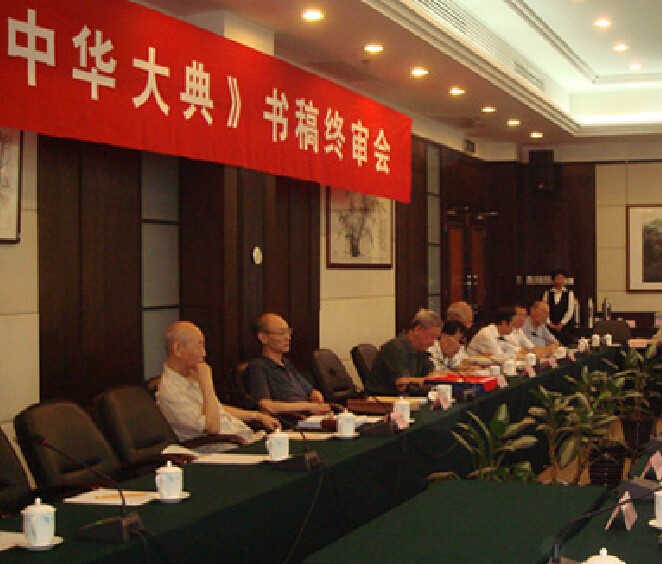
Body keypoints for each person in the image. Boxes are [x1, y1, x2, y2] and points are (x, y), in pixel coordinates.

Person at [156, 321, 279, 450]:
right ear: (178, 349)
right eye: (199, 346)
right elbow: (212, 428)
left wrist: (257, 416)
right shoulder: (171, 391)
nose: (204, 354)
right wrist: (207, 383)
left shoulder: (188, 377)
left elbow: (217, 408)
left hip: (245, 438)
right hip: (223, 447)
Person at [247, 313, 331, 415]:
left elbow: (311, 391)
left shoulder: (286, 363)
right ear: (263, 338)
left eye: (288, 332)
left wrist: (316, 398)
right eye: (281, 333)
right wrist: (308, 406)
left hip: (308, 416)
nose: (288, 337)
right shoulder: (258, 366)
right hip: (289, 420)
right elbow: (265, 406)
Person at [365, 308, 445, 395]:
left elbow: (430, 377)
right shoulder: (396, 348)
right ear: (418, 329)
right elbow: (402, 384)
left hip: (406, 398)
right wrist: (424, 381)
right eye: (432, 336)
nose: (433, 343)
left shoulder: (422, 350)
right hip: (382, 399)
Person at [542, 269, 575, 340]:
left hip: (565, 326)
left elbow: (570, 310)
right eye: (558, 278)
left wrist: (562, 323)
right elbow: (544, 309)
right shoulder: (547, 293)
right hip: (550, 326)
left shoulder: (569, 293)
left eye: (562, 279)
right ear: (553, 280)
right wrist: (549, 322)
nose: (560, 281)